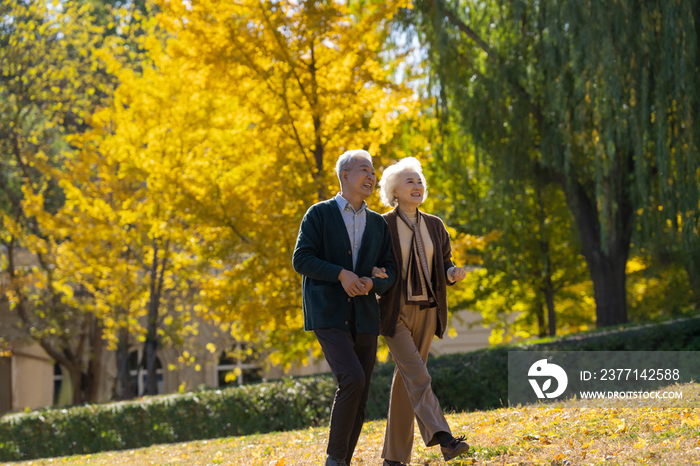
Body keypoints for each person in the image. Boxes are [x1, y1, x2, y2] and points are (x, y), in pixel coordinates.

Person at [292, 149, 397, 466]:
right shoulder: (319, 214)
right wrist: (340, 273)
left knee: (361, 394)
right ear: (344, 176)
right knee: (351, 378)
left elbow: (390, 269)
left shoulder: (378, 224)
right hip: (328, 313)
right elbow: (302, 260)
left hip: (365, 317)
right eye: (364, 170)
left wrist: (372, 283)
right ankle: (334, 460)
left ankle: (342, 461)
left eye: (373, 171)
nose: (371, 176)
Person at [373, 157, 469, 466]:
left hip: (428, 311)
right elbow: (370, 262)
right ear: (394, 191)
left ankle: (394, 459)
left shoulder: (435, 225)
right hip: (394, 312)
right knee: (418, 375)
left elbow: (443, 262)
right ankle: (444, 438)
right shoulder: (382, 224)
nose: (418, 186)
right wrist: (373, 273)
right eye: (410, 181)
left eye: (420, 182)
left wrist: (452, 272)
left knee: (408, 380)